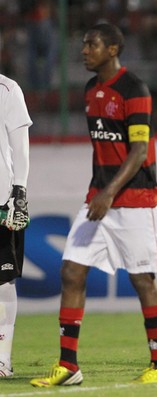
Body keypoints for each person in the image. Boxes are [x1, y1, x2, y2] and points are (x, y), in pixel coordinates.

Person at [30, 23, 157, 387]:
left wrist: (108, 193)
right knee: (72, 271)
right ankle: (69, 366)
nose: (83, 50)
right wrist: (101, 192)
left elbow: (139, 151)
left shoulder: (134, 89)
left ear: (112, 49)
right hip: (100, 196)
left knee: (142, 280)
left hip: (135, 199)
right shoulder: (91, 89)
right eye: (82, 43)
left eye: (91, 44)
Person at [0, 75, 32, 377]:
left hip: (0, 199)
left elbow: (20, 144)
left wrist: (19, 191)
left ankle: (2, 359)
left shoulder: (7, 89)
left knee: (2, 280)